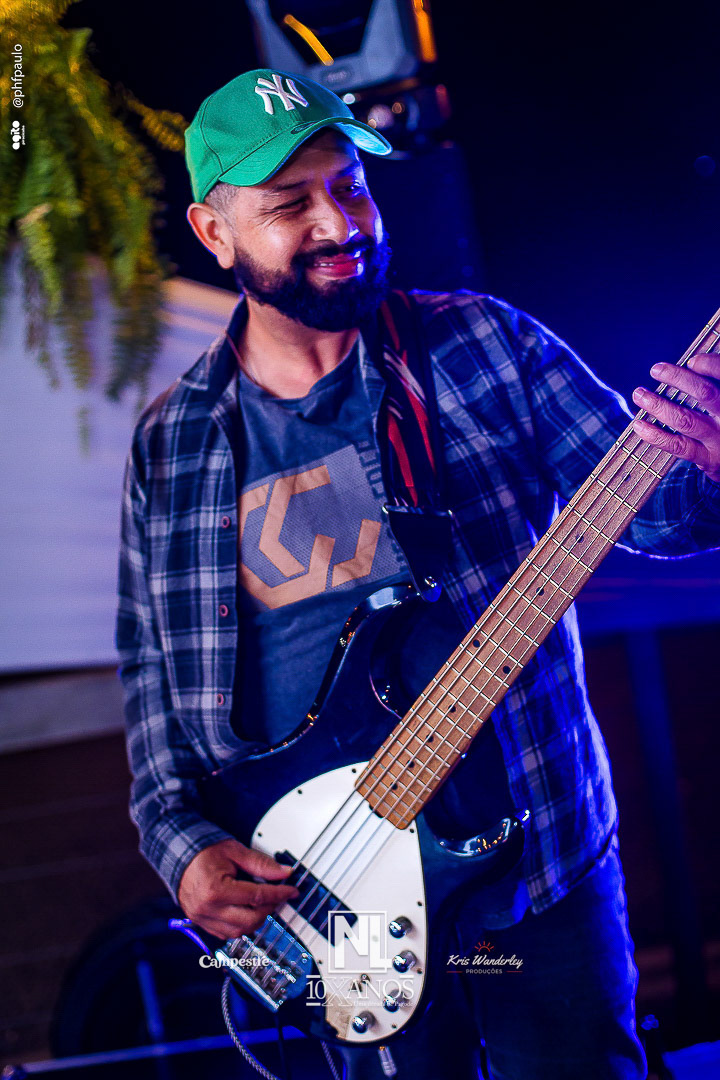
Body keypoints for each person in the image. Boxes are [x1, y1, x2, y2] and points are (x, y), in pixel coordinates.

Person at [116, 68, 720, 1080]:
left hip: (535, 878)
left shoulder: (484, 346)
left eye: (349, 186)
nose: (338, 222)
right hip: (327, 895)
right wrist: (180, 848)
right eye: (289, 205)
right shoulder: (172, 442)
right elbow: (150, 676)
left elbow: (657, 512)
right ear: (214, 234)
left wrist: (710, 468)